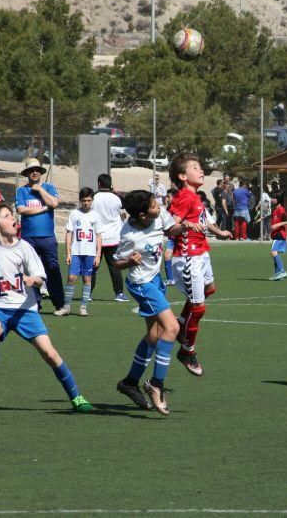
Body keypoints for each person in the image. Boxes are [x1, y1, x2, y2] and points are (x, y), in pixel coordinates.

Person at [0, 204, 93, 412]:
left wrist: (33, 279)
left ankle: (77, 397)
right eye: (7, 216)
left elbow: (42, 278)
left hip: (25, 309)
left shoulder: (24, 247)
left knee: (50, 354)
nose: (13, 218)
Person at [113, 190, 185, 415]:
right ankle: (156, 383)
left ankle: (130, 382)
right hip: (141, 284)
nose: (160, 206)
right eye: (154, 205)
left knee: (154, 335)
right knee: (172, 327)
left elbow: (171, 229)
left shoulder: (158, 213)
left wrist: (186, 226)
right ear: (143, 214)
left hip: (155, 279)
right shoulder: (129, 234)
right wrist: (129, 262)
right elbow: (117, 263)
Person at [168, 153, 232, 376]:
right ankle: (187, 351)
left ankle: (181, 322)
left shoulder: (195, 197)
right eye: (195, 168)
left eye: (200, 166)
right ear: (183, 176)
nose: (201, 170)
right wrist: (184, 225)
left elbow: (203, 220)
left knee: (209, 289)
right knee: (199, 307)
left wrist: (219, 232)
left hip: (201, 253)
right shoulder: (184, 197)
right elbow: (170, 228)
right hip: (187, 257)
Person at [15, 158, 65, 311]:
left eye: (37, 170)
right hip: (28, 237)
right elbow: (21, 210)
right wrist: (43, 209)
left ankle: (59, 304)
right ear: (27, 173)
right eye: (31, 170)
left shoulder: (49, 188)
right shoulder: (22, 190)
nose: (34, 172)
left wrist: (40, 190)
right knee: (30, 270)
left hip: (47, 237)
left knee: (52, 268)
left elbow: (54, 203)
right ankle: (34, 303)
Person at [54, 188, 101, 317]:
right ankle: (66, 307)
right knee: (71, 278)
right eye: (84, 200)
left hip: (90, 253)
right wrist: (68, 253)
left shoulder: (96, 215)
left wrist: (98, 255)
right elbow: (69, 233)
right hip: (76, 252)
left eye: (89, 200)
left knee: (87, 279)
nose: (86, 203)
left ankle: (83, 307)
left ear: (92, 200)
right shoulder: (74, 213)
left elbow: (98, 236)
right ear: (80, 200)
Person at [91, 174, 128, 302]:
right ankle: (119, 293)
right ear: (110, 184)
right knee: (114, 267)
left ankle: (88, 293)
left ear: (99, 184)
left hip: (97, 237)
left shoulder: (94, 197)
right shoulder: (117, 198)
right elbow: (123, 207)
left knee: (93, 266)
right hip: (113, 238)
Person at [268, 191, 287, 281]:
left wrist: (276, 225)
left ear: (278, 199)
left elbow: (286, 221)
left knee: (273, 252)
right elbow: (272, 216)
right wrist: (263, 218)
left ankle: (282, 271)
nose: (272, 199)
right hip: (276, 234)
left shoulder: (281, 209)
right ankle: (277, 274)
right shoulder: (275, 209)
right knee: (275, 253)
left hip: (279, 234)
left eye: (274, 198)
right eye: (272, 198)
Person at [162, 188, 178, 285]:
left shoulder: (178, 208)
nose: (166, 199)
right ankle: (170, 279)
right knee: (167, 255)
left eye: (168, 197)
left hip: (180, 238)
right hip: (172, 237)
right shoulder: (169, 208)